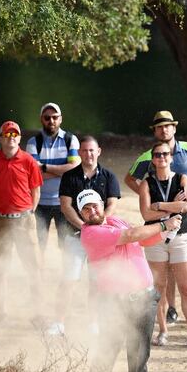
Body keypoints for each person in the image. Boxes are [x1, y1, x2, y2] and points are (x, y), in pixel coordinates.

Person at [78, 189, 183, 372]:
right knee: (105, 356)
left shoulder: (115, 220)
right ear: (82, 214)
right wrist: (163, 222)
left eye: (94, 205)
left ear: (102, 205)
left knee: (139, 358)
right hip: (114, 304)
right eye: (86, 209)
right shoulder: (90, 233)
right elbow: (131, 234)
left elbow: (143, 239)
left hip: (144, 300)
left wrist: (166, 230)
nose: (92, 211)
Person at [125, 110, 187, 326]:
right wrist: (146, 198)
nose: (164, 129)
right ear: (155, 131)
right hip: (161, 219)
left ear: (174, 128)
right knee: (167, 264)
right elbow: (129, 178)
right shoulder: (150, 155)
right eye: (159, 127)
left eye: (168, 126)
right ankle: (172, 308)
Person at [138, 142, 187, 349]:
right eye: (157, 155)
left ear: (171, 157)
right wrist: (171, 209)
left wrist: (159, 205)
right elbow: (145, 214)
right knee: (159, 287)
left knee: (186, 287)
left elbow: (185, 207)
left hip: (180, 236)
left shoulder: (182, 179)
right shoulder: (146, 183)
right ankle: (163, 331)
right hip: (155, 236)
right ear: (153, 159)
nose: (161, 158)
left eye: (165, 154)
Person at [54, 135, 121, 335]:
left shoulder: (109, 177)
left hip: (99, 241)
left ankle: (93, 322)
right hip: (75, 236)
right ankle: (59, 323)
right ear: (79, 153)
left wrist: (98, 228)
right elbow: (66, 207)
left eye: (92, 150)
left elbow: (112, 204)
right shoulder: (70, 176)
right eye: (84, 150)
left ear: (98, 151)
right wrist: (85, 227)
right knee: (69, 279)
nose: (88, 154)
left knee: (96, 282)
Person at [0, 121, 44, 316]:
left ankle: (37, 312)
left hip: (25, 221)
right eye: (7, 134)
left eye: (14, 134)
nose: (11, 137)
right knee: (1, 267)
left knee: (33, 267)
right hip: (0, 221)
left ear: (19, 138)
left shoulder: (28, 161)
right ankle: (2, 311)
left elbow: (36, 191)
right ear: (0, 138)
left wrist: (28, 212)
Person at [24, 102, 80, 252]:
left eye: (55, 117)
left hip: (65, 201)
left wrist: (43, 167)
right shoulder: (33, 142)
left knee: (66, 243)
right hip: (39, 202)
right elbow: (31, 173)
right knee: (38, 244)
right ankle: (39, 274)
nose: (51, 121)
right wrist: (63, 170)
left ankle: (66, 275)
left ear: (60, 119)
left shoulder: (71, 140)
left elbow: (74, 170)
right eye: (47, 118)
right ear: (41, 119)